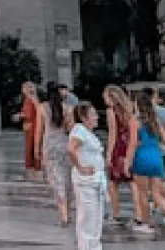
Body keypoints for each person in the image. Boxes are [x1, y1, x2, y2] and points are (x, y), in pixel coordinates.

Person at [132, 89, 165, 236]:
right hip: (156, 156)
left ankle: (146, 223)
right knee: (156, 193)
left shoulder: (135, 121)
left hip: (142, 156)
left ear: (137, 105)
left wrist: (127, 160)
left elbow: (133, 143)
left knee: (142, 193)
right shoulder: (155, 121)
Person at [68, 100, 106, 250]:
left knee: (96, 217)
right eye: (93, 114)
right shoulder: (79, 130)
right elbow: (71, 149)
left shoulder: (89, 133)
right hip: (86, 181)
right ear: (84, 117)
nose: (97, 117)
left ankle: (94, 246)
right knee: (88, 217)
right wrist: (80, 167)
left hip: (95, 180)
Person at [104, 84, 140, 230]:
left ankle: (116, 213)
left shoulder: (111, 111)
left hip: (118, 148)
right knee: (132, 182)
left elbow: (112, 134)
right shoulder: (130, 109)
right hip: (129, 146)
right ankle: (138, 214)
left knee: (112, 182)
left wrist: (108, 154)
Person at [39, 83, 73, 226]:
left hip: (50, 145)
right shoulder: (67, 108)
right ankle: (68, 211)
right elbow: (69, 128)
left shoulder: (42, 108)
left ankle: (63, 214)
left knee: (56, 180)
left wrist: (37, 150)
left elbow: (39, 131)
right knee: (67, 179)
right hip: (64, 144)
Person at [16, 81, 41, 176]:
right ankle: (36, 166)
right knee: (34, 146)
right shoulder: (34, 99)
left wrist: (19, 116)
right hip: (35, 125)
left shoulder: (29, 99)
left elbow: (28, 114)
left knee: (30, 147)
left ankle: (32, 167)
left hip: (31, 126)